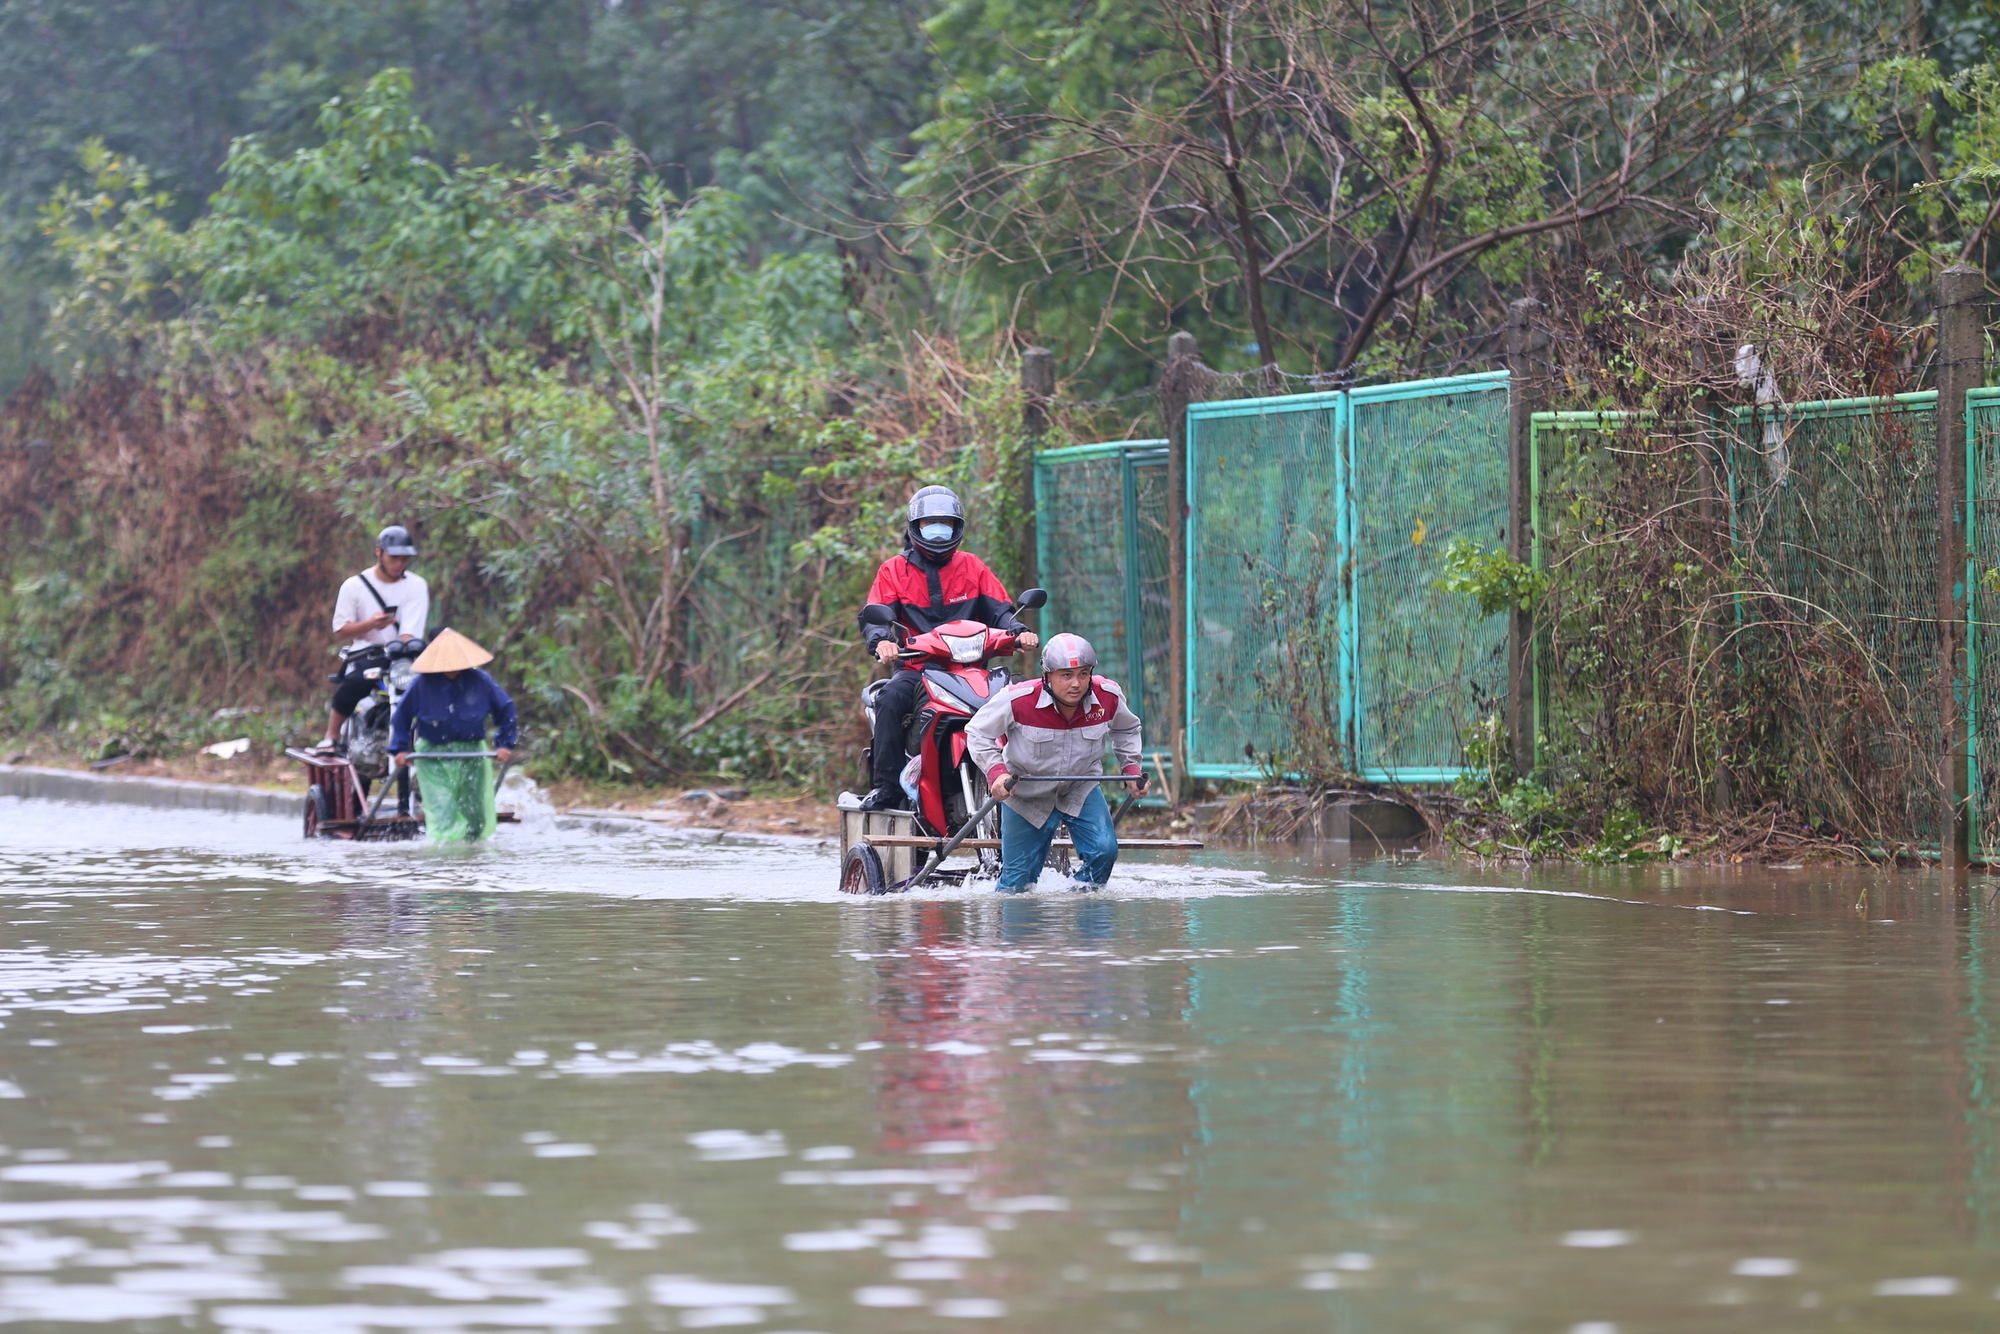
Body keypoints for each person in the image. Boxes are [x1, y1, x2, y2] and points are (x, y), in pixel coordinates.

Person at [856, 485, 1039, 810]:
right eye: (930, 524)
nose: (939, 531)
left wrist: (1018, 630)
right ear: (915, 527)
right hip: (918, 671)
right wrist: (882, 640)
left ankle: (1032, 778)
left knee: (1022, 697)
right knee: (889, 699)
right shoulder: (894, 570)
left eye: (947, 524)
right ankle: (888, 786)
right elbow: (876, 615)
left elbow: (1000, 609)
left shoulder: (972, 566)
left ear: (958, 527)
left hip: (972, 673)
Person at [965, 633, 1145, 892]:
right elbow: (977, 732)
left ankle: (1076, 905)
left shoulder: (1108, 696)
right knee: (1017, 886)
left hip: (1079, 788)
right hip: (1025, 794)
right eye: (1066, 675)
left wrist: (1130, 768)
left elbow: (1128, 729)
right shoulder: (1018, 699)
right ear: (1046, 675)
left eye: (1084, 674)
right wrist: (996, 773)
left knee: (1104, 853)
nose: (1076, 684)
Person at [389, 628, 517, 844]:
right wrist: (400, 749)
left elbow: (506, 709)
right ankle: (446, 856)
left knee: (475, 812)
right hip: (433, 755)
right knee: (442, 806)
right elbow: (402, 716)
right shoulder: (422, 684)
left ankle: (471, 855)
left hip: (472, 753)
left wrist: (504, 744)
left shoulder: (480, 681)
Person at [316, 525, 430, 753]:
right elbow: (341, 630)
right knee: (355, 681)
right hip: (368, 652)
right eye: (394, 558)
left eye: (404, 559)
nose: (399, 564)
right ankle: (331, 735)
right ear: (379, 552)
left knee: (433, 685)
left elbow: (410, 630)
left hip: (404, 654)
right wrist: (371, 624)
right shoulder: (354, 586)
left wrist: (401, 651)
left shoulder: (416, 585)